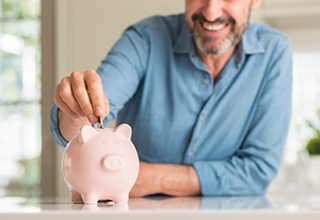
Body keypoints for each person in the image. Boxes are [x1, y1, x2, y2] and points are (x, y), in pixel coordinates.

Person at [50, 0, 292, 197]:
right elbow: (84, 123)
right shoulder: (145, 38)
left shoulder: (274, 52)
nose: (210, 12)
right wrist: (75, 108)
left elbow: (257, 172)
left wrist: (151, 178)